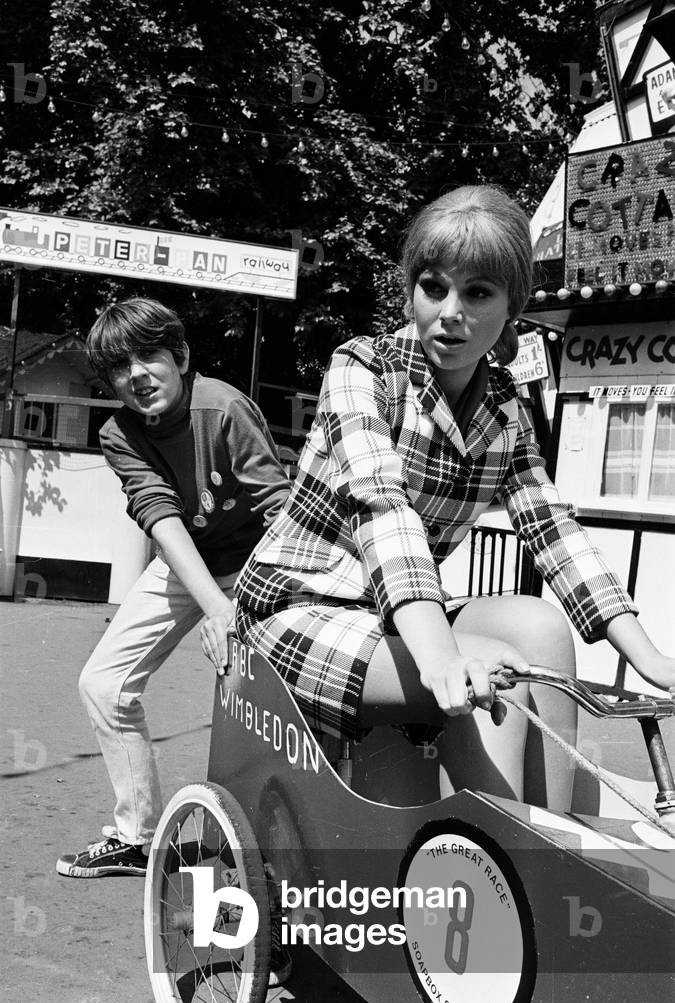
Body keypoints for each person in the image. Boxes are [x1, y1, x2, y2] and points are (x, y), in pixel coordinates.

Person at [235, 185, 675, 809]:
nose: (451, 311)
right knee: (495, 667)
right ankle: (495, 853)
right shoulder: (362, 369)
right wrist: (441, 654)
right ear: (411, 290)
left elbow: (553, 529)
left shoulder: (505, 408)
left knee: (541, 628)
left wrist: (649, 656)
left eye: (478, 293)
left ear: (510, 309)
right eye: (434, 287)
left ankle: (557, 833)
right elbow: (381, 506)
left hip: (397, 610)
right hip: (300, 604)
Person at [56, 298, 290, 879]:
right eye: (119, 367)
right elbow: (160, 516)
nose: (136, 375)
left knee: (260, 697)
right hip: (187, 564)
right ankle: (137, 838)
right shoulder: (119, 433)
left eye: (149, 355)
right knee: (104, 684)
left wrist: (252, 601)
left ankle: (275, 852)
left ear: (180, 355)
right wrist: (214, 605)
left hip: (262, 561)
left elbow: (280, 510)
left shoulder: (224, 405)